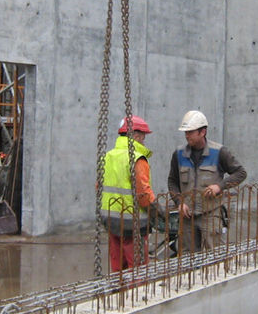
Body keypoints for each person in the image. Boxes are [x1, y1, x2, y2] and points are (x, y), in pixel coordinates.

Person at [167, 110, 246, 252]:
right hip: (187, 215)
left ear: (202, 132)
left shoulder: (219, 152)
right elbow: (172, 181)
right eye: (186, 132)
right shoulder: (179, 154)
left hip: (211, 213)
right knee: (186, 258)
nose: (187, 135)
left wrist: (220, 186)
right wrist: (179, 202)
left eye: (190, 132)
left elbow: (240, 173)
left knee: (214, 254)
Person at [100, 115, 157, 272]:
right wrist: (157, 211)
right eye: (143, 138)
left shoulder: (108, 157)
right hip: (133, 225)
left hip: (111, 222)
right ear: (136, 136)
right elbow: (143, 194)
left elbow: (99, 187)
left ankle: (119, 295)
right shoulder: (137, 158)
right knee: (137, 270)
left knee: (119, 269)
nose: (144, 141)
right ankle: (136, 295)